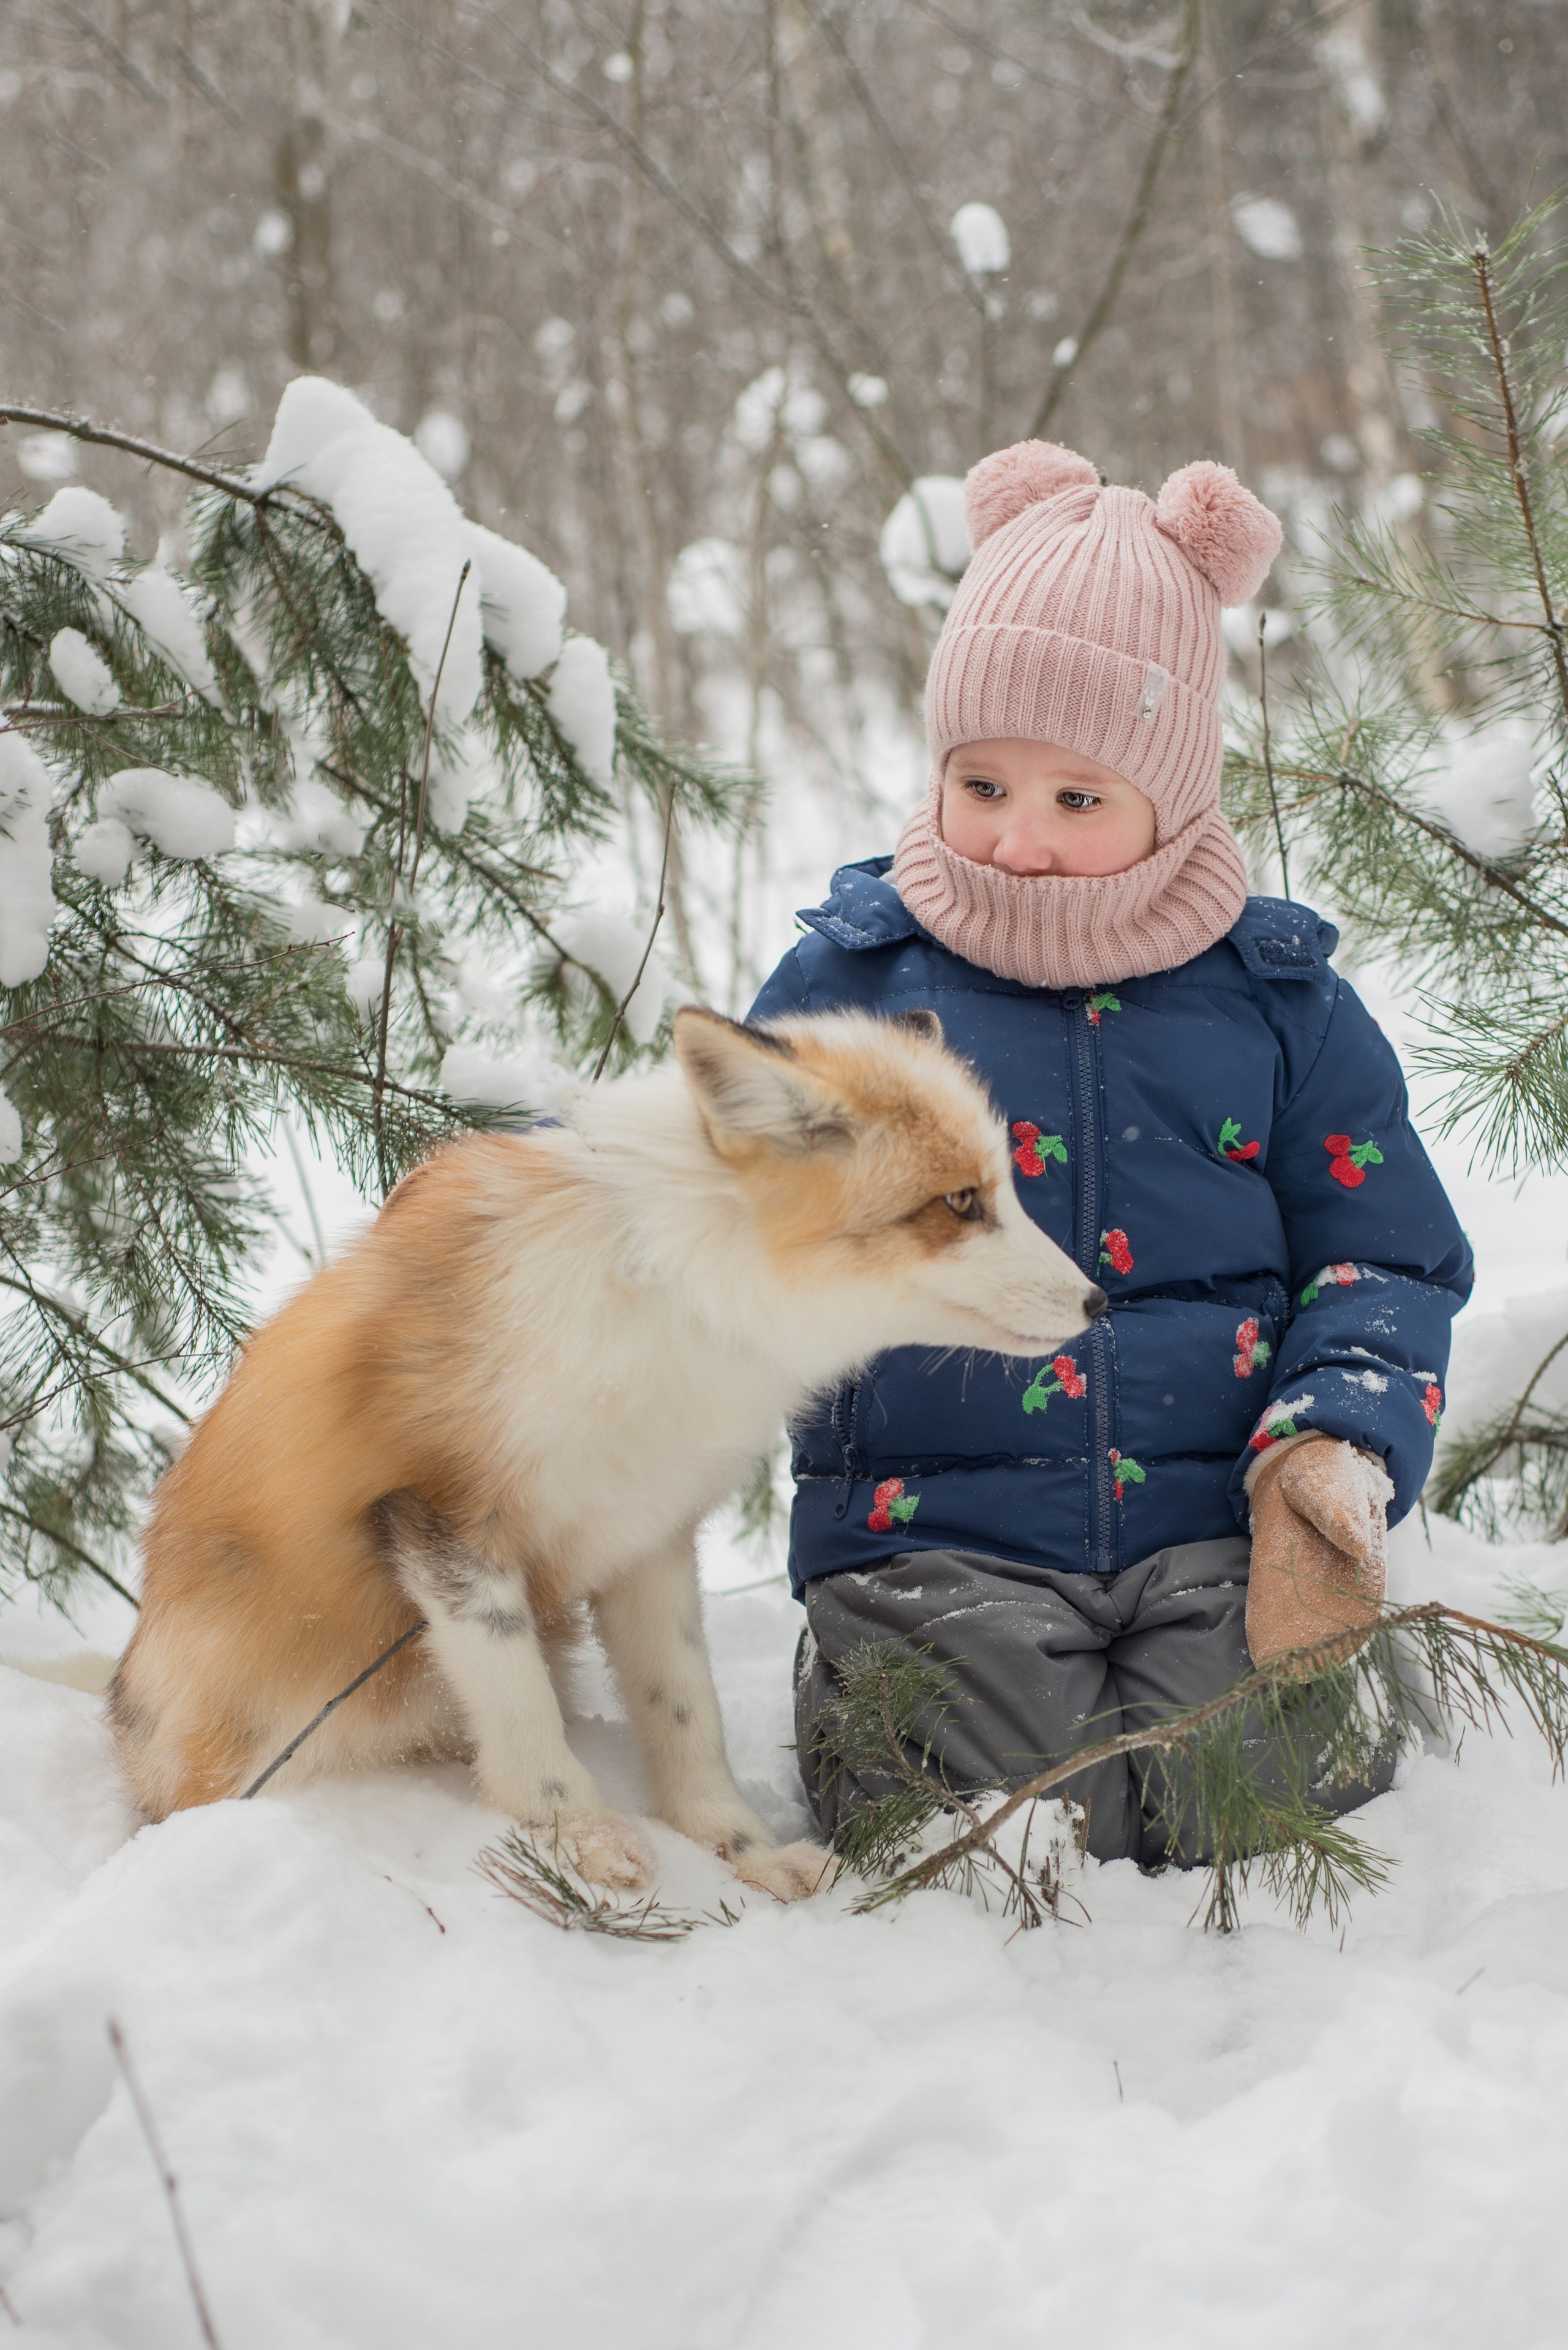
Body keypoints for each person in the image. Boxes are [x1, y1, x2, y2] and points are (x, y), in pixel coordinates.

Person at [748, 438, 1473, 1866]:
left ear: (1172, 794)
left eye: (1076, 799)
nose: (1015, 840)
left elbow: (1380, 1248)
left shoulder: (1276, 1001)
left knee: (1257, 1781)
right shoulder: (860, 983)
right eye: (982, 782)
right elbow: (722, 1184)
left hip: (1215, 1524)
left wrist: (1331, 1435)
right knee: (990, 1812)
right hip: (932, 1534)